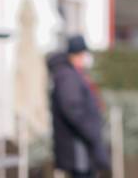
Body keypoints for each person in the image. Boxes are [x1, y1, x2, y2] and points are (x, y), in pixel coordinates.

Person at [47, 34, 110, 178]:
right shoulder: (68, 76)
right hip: (78, 147)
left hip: (81, 147)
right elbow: (72, 109)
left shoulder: (71, 74)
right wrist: (91, 131)